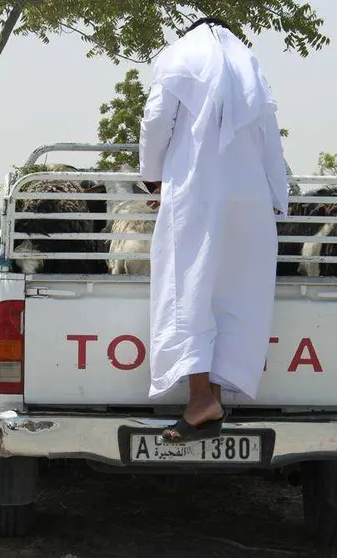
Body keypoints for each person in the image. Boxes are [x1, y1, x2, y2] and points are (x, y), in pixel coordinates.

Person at [139, 17, 289, 443]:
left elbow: (155, 120)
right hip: (250, 201)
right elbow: (272, 142)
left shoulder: (180, 59)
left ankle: (201, 397)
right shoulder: (250, 70)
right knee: (232, 295)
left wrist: (152, 176)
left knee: (190, 290)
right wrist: (279, 200)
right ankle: (211, 400)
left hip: (196, 195)